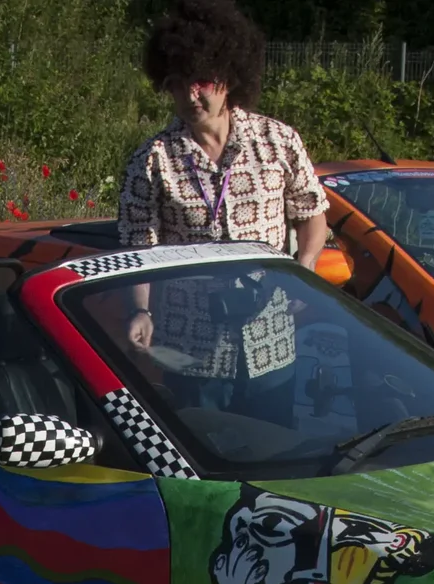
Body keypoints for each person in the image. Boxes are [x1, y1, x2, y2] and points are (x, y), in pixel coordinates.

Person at [116, 0, 330, 425]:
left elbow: (312, 215)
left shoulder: (278, 141)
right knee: (206, 474)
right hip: (192, 348)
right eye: (177, 84)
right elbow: (138, 245)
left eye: (201, 82)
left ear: (228, 78)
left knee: (274, 456)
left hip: (270, 339)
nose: (190, 96)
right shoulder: (152, 160)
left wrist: (303, 273)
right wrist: (141, 310)